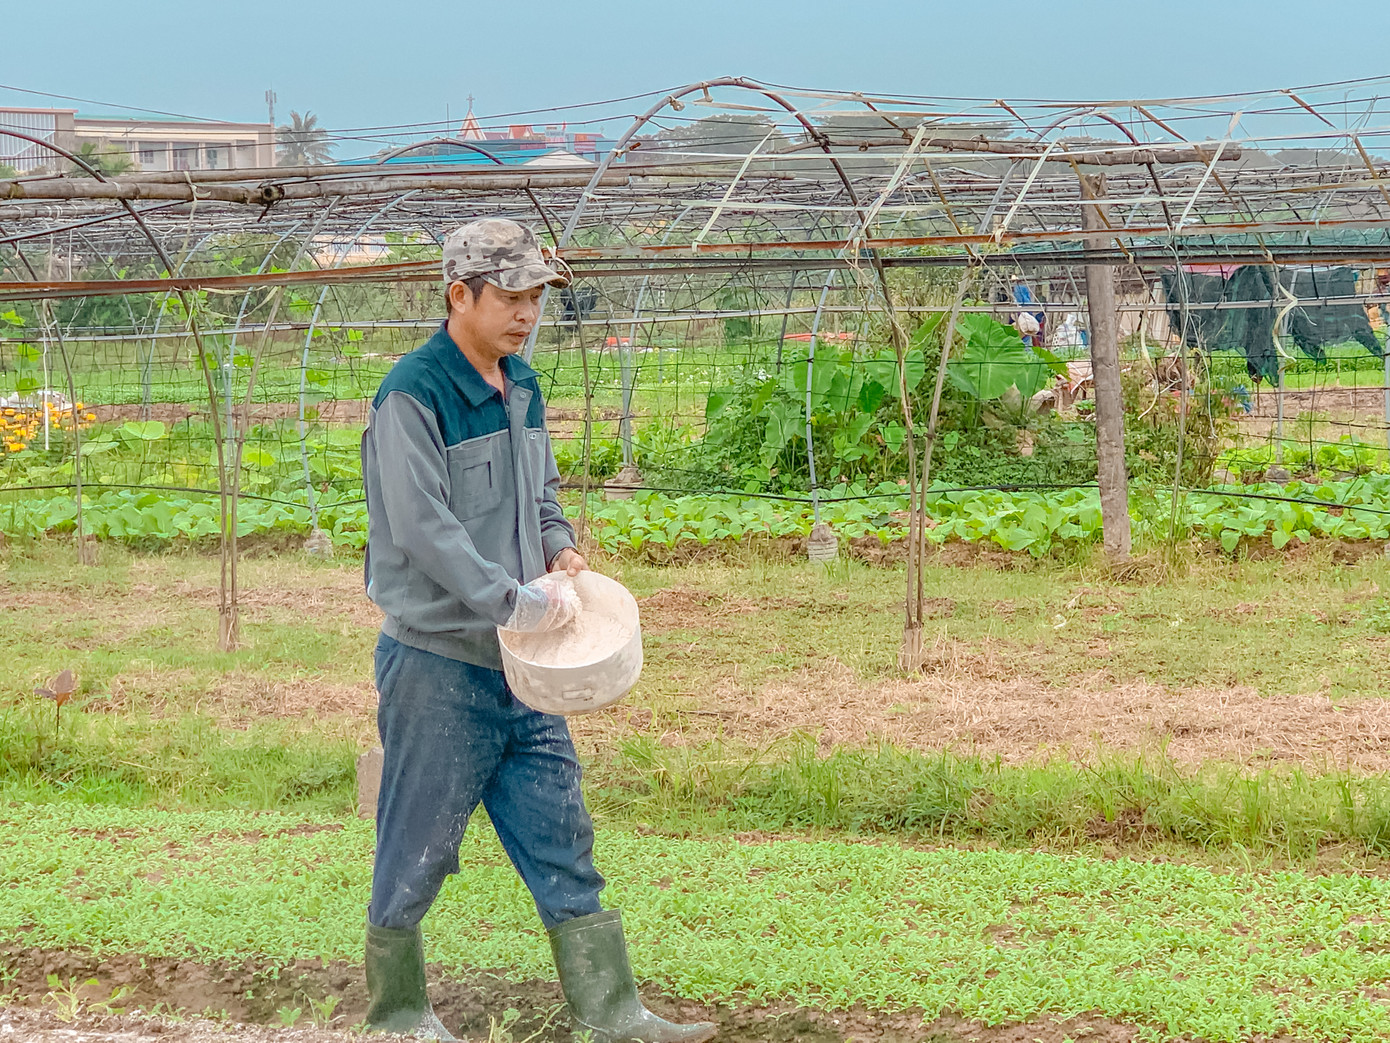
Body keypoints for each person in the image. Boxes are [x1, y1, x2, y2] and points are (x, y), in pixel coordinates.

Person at [360, 218, 717, 1043]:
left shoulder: (523, 387)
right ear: (461, 295)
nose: (527, 314)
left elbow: (541, 489)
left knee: (561, 831)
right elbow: (423, 529)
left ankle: (615, 1011)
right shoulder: (412, 395)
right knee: (418, 841)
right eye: (512, 297)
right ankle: (399, 1014)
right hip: (438, 663)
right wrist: (513, 598)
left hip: (530, 666)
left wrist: (559, 548)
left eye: (535, 298)